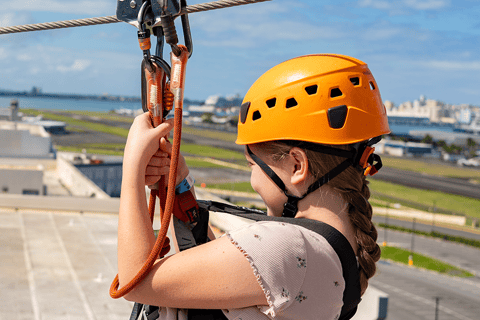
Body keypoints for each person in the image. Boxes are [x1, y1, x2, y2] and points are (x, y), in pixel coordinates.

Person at [116, 54, 390, 320]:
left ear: (297, 165)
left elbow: (136, 282)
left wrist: (132, 167)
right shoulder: (337, 247)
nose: (252, 179)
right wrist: (177, 185)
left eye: (253, 164)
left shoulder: (289, 247)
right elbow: (211, 279)